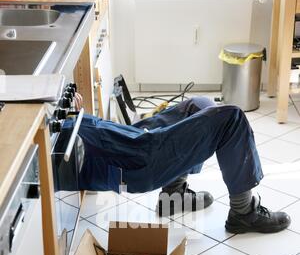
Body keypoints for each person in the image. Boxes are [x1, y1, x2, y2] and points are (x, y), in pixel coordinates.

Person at [61, 94, 291, 234]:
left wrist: (66, 109)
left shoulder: (52, 131)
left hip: (132, 140)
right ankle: (244, 213)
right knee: (232, 118)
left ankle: (174, 195)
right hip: (138, 159)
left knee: (200, 104)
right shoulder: (49, 149)